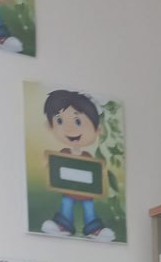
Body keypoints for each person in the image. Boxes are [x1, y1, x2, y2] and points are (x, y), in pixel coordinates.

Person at [39, 90, 115, 241]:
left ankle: (94, 229)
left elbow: (94, 173)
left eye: (78, 122)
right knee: (66, 204)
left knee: (88, 207)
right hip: (68, 189)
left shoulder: (88, 157)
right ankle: (63, 226)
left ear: (97, 130)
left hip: (86, 191)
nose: (70, 129)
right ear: (50, 125)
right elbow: (56, 168)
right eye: (60, 121)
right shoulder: (63, 153)